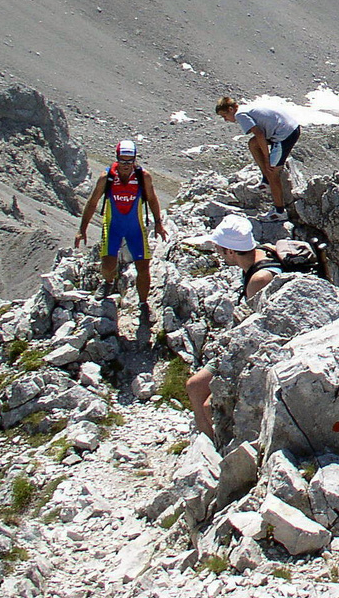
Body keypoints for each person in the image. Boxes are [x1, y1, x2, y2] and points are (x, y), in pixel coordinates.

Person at [186, 213, 283, 438]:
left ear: (230, 251)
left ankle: (217, 450)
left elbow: (258, 330)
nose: (219, 253)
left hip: (256, 349)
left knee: (209, 404)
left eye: (221, 249)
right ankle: (208, 446)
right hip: (246, 341)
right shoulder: (263, 252)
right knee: (195, 386)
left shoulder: (259, 280)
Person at [75, 139, 166, 316]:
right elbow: (93, 202)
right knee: (108, 266)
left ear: (134, 159)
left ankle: (143, 304)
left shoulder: (143, 176)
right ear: (117, 158)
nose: (126, 165)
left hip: (135, 228)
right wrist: (82, 229)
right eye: (122, 161)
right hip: (113, 227)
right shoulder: (106, 177)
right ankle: (108, 282)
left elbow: (153, 199)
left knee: (143, 267)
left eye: (129, 161)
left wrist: (159, 223)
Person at [215, 95, 300, 222]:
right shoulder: (245, 108)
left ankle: (279, 211)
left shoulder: (240, 115)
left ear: (231, 110)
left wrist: (267, 159)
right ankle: (266, 182)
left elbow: (259, 134)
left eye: (224, 116)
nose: (226, 120)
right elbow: (258, 137)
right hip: (289, 128)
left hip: (285, 135)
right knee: (253, 144)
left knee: (272, 171)